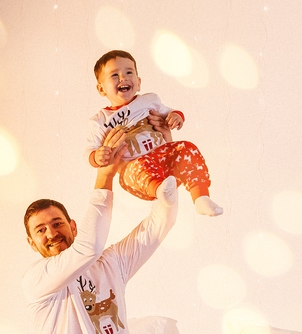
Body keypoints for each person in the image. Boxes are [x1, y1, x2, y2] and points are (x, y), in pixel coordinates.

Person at [23, 127, 196, 334]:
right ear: (32, 243)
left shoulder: (111, 262)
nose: (51, 233)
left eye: (57, 223)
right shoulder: (38, 280)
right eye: (41, 230)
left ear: (73, 226)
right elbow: (89, 247)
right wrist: (105, 175)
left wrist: (165, 163)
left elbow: (159, 224)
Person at [87, 49, 223, 217]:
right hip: (135, 169)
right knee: (136, 169)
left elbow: (170, 111)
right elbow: (89, 150)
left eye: (129, 72)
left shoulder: (149, 101)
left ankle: (201, 197)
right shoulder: (100, 120)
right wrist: (96, 156)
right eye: (114, 75)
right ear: (101, 89)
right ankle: (160, 191)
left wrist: (175, 117)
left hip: (164, 157)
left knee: (187, 147)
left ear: (138, 82)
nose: (123, 78)